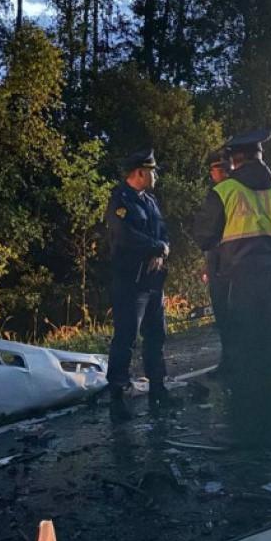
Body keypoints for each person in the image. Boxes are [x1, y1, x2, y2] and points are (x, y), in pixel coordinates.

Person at [192, 129, 271, 443]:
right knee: (270, 349)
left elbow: (204, 237)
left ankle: (245, 429)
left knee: (244, 351)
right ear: (260, 157)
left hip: (240, 281)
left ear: (235, 160)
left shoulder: (226, 192)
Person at [106, 147, 171, 422]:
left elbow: (162, 232)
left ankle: (158, 387)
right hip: (130, 281)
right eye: (152, 171)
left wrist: (163, 247)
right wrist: (156, 247)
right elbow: (124, 236)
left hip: (153, 280)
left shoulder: (150, 201)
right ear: (140, 172)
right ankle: (117, 395)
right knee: (126, 337)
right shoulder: (120, 201)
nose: (155, 176)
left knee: (156, 335)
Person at [204, 149, 233, 376]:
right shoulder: (248, 189)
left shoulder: (221, 192)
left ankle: (229, 363)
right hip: (243, 263)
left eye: (213, 169)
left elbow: (206, 232)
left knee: (225, 316)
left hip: (223, 263)